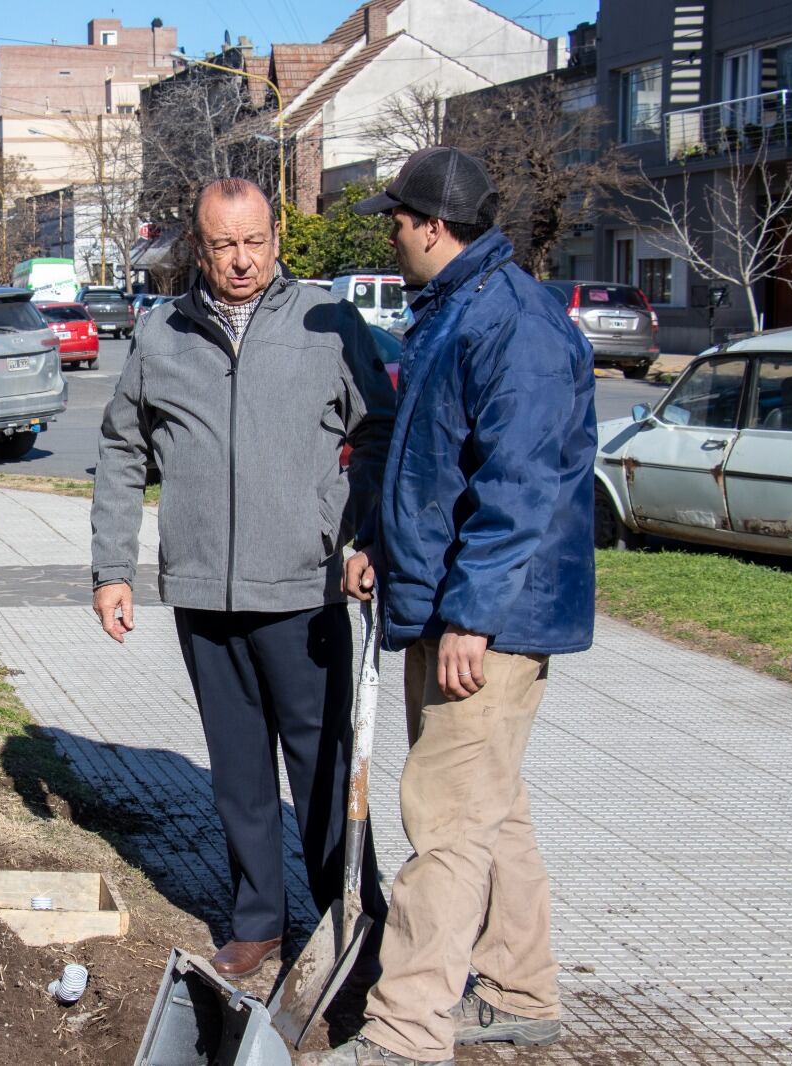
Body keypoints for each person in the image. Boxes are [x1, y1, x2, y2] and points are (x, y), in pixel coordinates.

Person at [320, 147, 597, 1065]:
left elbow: (518, 489)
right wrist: (381, 551)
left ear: (433, 228)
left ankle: (406, 1035)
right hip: (453, 605)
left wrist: (471, 617)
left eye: (397, 221)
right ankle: (520, 989)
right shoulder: (459, 309)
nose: (392, 234)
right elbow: (433, 467)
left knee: (441, 820)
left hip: (489, 623)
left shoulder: (511, 324)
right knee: (490, 809)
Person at [91, 177, 397, 979]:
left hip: (302, 591)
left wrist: (353, 527)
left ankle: (352, 928)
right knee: (238, 775)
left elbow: (380, 431)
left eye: (254, 241)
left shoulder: (326, 325)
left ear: (276, 237)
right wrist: (111, 568)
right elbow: (123, 449)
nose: (240, 260)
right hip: (202, 595)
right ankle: (257, 921)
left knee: (323, 769)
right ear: (198, 244)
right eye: (223, 244)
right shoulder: (162, 335)